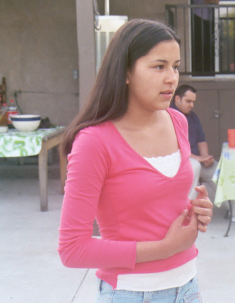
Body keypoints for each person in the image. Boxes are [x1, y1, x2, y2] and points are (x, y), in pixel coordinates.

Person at [58, 19, 213, 302]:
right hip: (132, 293)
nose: (172, 78)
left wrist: (196, 211)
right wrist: (164, 248)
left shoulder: (178, 121)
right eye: (159, 66)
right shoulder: (95, 141)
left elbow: (161, 204)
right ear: (126, 71)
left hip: (188, 287)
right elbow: (72, 249)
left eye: (175, 66)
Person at [171, 84, 235, 224]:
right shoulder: (168, 116)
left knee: (219, 171)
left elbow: (201, 141)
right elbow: (175, 148)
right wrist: (199, 158)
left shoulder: (192, 117)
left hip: (195, 159)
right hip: (176, 161)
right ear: (177, 99)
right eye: (188, 101)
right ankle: (185, 216)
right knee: (194, 167)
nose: (192, 105)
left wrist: (206, 157)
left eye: (193, 101)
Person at [191, 0, 219, 75]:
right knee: (200, 43)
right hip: (199, 17)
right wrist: (211, 0)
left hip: (209, 17)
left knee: (209, 43)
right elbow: (196, 0)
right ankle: (199, 70)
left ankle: (208, 69)